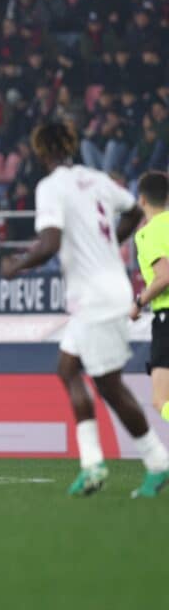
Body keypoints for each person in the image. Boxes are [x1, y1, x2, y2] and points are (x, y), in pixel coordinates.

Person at [0, 123, 169, 498]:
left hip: (96, 298)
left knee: (108, 384)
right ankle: (91, 464)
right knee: (68, 368)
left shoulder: (50, 187)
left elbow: (50, 242)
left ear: (41, 152)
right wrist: (109, 246)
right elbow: (130, 211)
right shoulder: (95, 179)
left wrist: (17, 265)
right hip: (99, 294)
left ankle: (156, 461)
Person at [131, 172, 169, 427]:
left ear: (142, 200)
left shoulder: (147, 233)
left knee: (161, 399)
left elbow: (164, 275)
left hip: (167, 318)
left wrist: (138, 302)